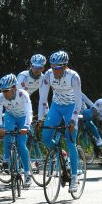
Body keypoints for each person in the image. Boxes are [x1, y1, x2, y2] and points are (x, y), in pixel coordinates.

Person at [37, 50, 82, 193]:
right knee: (45, 137)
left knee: (70, 140)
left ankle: (74, 177)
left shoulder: (73, 77)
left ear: (64, 67)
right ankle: (62, 155)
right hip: (56, 106)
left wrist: (73, 121)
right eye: (52, 67)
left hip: (71, 107)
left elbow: (79, 102)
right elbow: (43, 99)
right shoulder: (48, 75)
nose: (54, 70)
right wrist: (40, 119)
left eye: (57, 68)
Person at [0, 73, 33, 188]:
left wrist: (26, 126)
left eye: (6, 91)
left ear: (14, 88)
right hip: (10, 116)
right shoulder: (0, 97)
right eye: (2, 91)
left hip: (22, 118)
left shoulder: (23, 94)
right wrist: (0, 126)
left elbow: (29, 112)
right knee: (7, 134)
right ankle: (6, 159)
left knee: (21, 145)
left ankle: (27, 173)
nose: (4, 93)